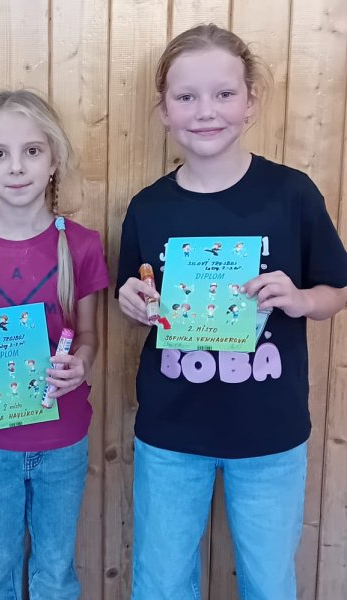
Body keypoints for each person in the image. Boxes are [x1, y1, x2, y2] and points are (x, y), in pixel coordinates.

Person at [116, 24, 347, 600]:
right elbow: (134, 289)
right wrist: (131, 301)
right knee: (161, 584)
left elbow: (336, 289)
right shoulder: (148, 207)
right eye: (185, 96)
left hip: (271, 433)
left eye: (223, 93)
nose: (205, 111)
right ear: (163, 109)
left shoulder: (292, 194)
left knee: (269, 584)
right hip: (171, 431)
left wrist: (300, 299)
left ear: (251, 101)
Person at [0, 90, 109, 599]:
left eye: (32, 151)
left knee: (55, 574)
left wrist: (81, 365)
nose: (16, 167)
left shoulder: (82, 244)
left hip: (63, 437)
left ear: (54, 160)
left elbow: (90, 336)